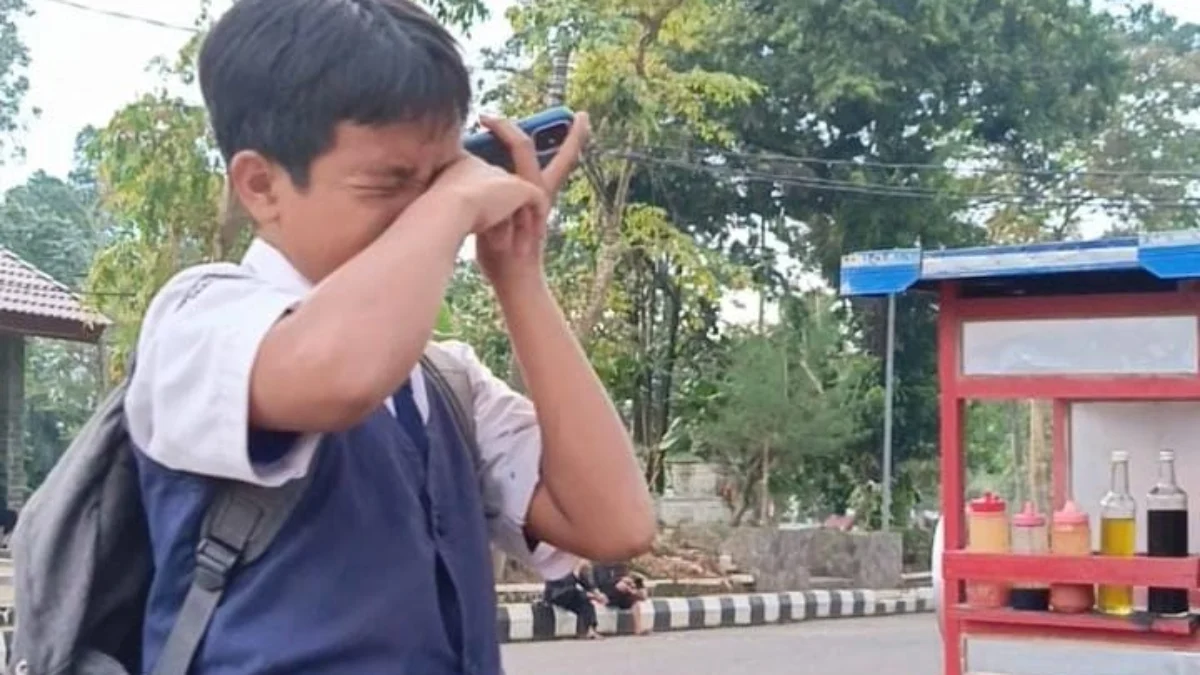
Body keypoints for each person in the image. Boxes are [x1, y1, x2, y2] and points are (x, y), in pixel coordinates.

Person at [125, 0, 656, 673]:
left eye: (441, 176)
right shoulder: (198, 319)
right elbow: (339, 372)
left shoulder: (444, 382)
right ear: (261, 186)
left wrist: (519, 276)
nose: (431, 208)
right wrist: (451, 200)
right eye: (391, 182)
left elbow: (616, 522)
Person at [543, 561, 606, 639]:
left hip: (570, 596)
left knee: (587, 604)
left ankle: (589, 630)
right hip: (556, 594)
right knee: (578, 593)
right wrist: (575, 574)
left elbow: (587, 585)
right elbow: (564, 587)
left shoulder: (576, 569)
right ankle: (586, 630)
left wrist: (598, 594)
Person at [593, 562, 652, 636]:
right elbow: (600, 583)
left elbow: (626, 578)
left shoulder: (621, 566)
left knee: (634, 602)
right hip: (607, 593)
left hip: (621, 593)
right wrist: (618, 582)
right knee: (621, 586)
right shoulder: (598, 567)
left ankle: (638, 629)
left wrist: (627, 583)